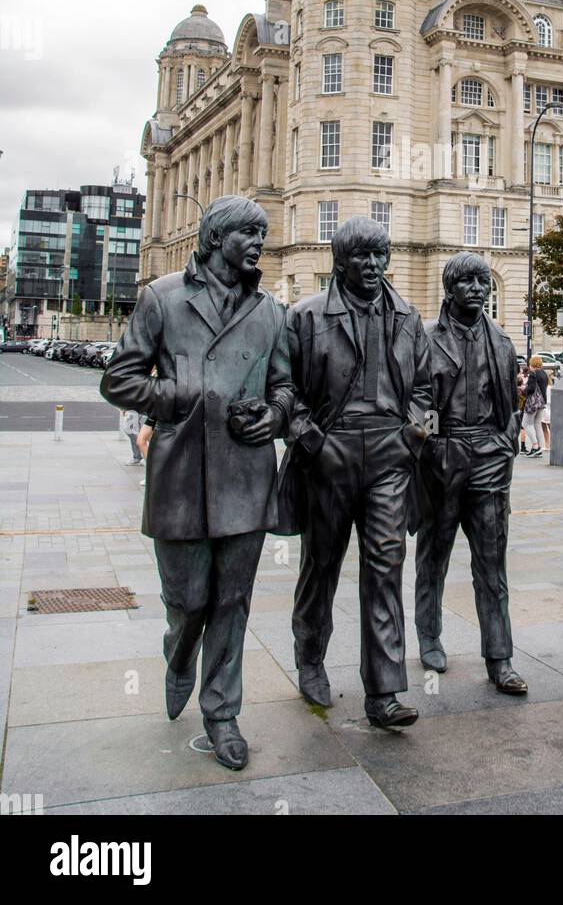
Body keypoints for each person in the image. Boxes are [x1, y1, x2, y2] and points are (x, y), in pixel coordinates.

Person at [101, 195, 310, 770]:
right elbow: (118, 380)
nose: (259, 244)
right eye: (250, 233)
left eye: (262, 234)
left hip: (245, 475)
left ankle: (222, 712)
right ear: (218, 238)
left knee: (233, 601)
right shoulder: (162, 298)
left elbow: (285, 389)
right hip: (181, 474)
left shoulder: (270, 311)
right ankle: (178, 655)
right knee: (189, 601)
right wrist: (171, 397)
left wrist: (274, 416)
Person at [280, 215, 432, 731]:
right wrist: (311, 440)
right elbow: (284, 391)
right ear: (339, 262)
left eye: (379, 255)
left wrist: (414, 432)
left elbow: (427, 392)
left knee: (386, 566)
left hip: (390, 456)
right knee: (321, 563)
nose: (371, 265)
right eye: (360, 257)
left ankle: (384, 691)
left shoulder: (409, 317)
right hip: (330, 452)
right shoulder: (306, 316)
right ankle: (310, 657)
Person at [414, 253, 527, 695]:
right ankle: (429, 636)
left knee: (492, 565)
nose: (478, 289)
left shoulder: (501, 340)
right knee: (433, 555)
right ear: (450, 288)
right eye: (468, 282)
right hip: (443, 459)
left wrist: (506, 442)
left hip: (489, 459)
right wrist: (432, 445)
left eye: (483, 281)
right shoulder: (425, 338)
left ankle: (500, 658)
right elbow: (415, 399)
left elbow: (510, 406)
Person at [522, 356, 548, 458]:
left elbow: (531, 388)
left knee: (526, 423)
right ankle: (539, 448)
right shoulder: (544, 374)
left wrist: (524, 390)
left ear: (532, 363)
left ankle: (535, 445)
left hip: (533, 403)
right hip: (542, 402)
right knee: (537, 424)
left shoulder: (533, 374)